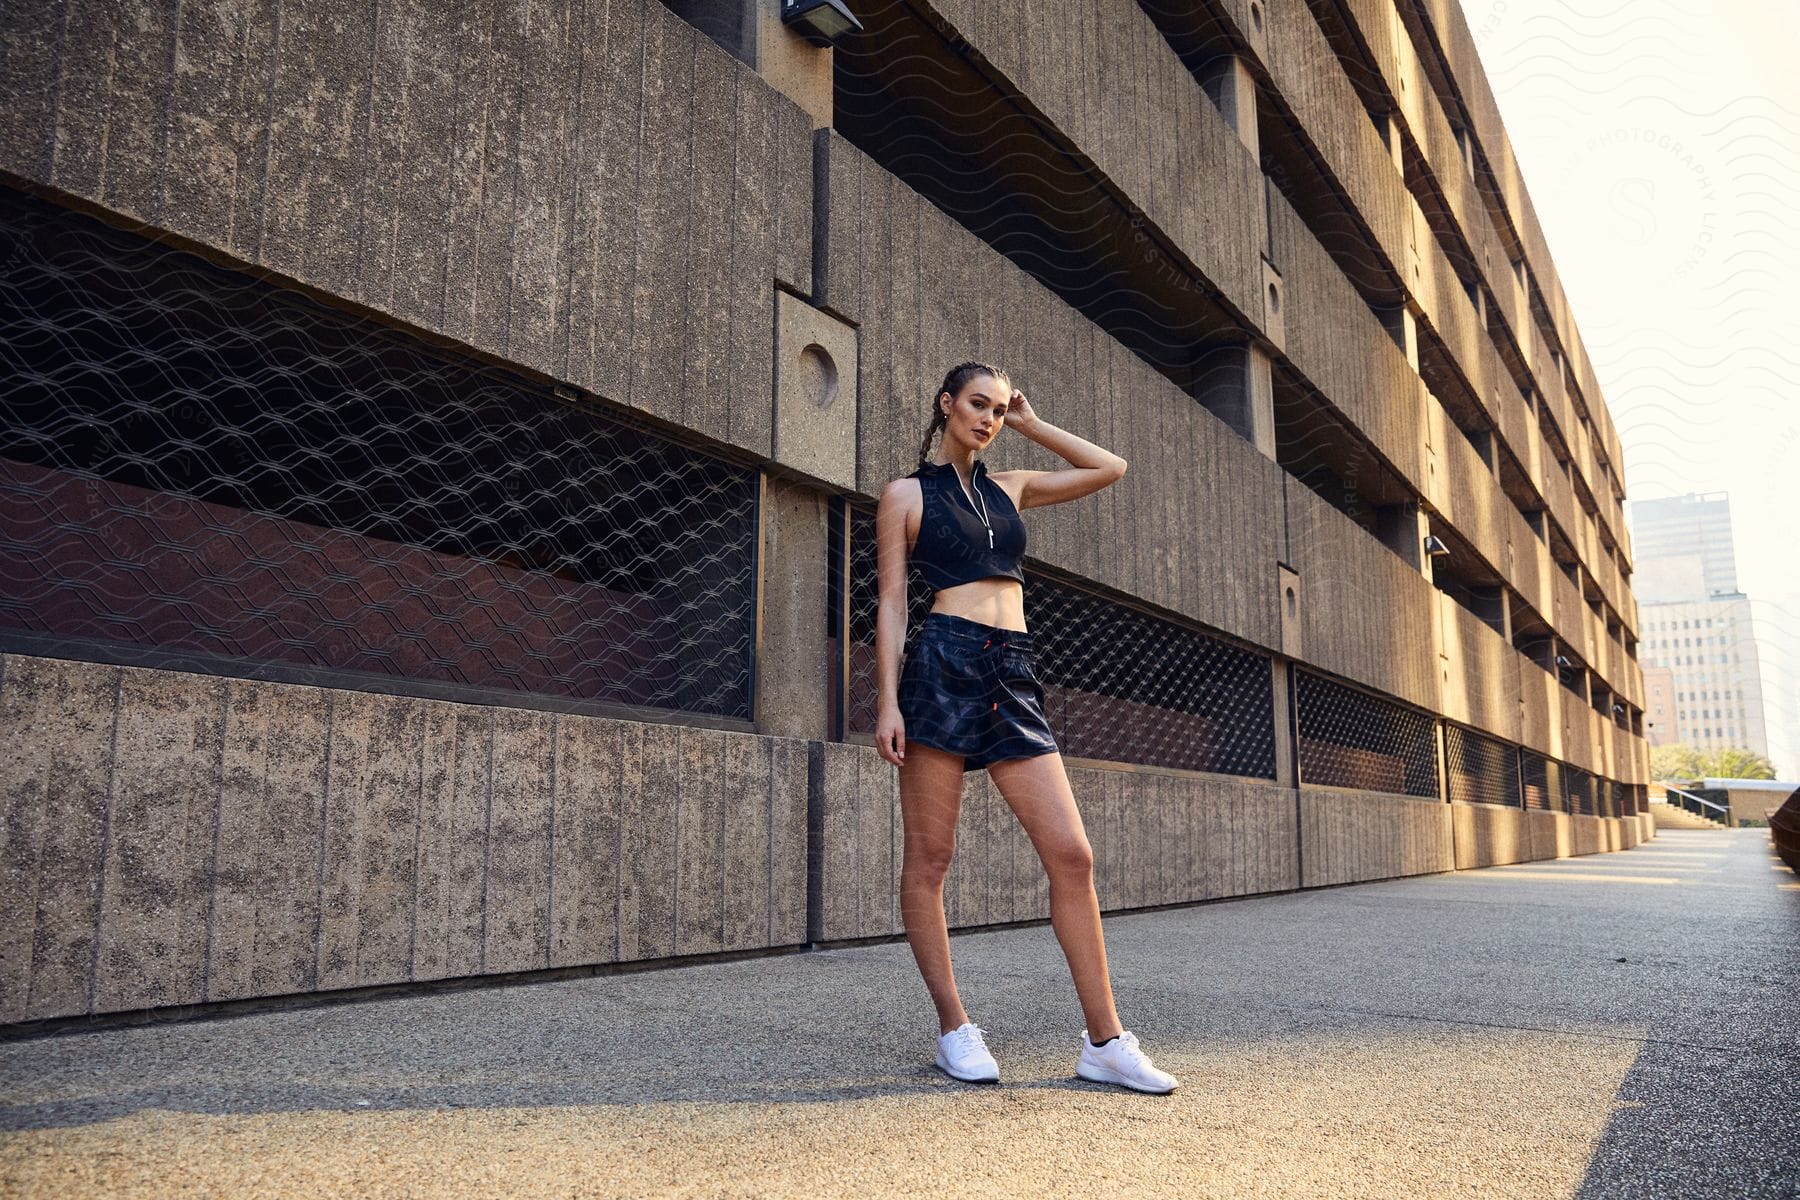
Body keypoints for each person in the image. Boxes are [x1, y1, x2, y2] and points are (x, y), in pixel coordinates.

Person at [872, 360, 1180, 1095]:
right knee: (931, 859)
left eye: (999, 409)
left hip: (1013, 669)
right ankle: (954, 1028)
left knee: (1072, 854)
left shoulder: (1013, 485)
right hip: (941, 666)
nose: (988, 418)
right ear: (946, 404)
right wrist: (885, 702)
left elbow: (1111, 466)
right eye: (978, 404)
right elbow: (889, 603)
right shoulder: (905, 495)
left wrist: (1033, 424)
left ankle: (1104, 1041)